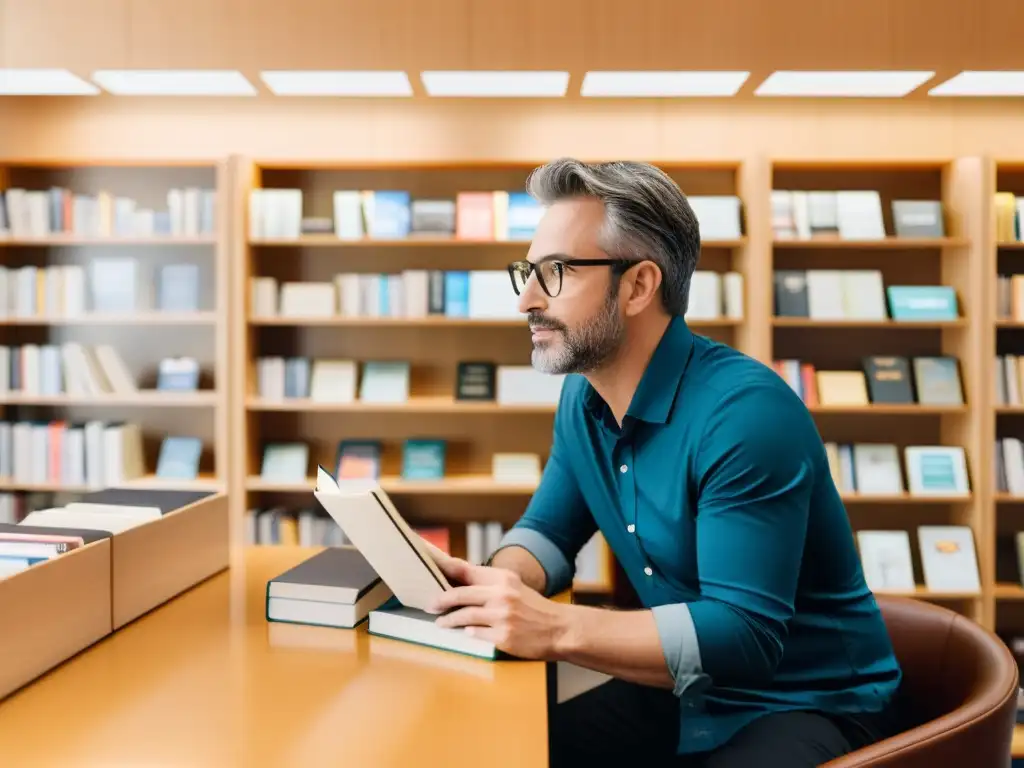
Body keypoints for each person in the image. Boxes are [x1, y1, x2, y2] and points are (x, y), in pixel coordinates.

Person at [422, 158, 903, 767]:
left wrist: (553, 628)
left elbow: (745, 634)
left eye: (557, 272)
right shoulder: (585, 395)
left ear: (638, 286)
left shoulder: (745, 415)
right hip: (688, 688)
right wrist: (490, 582)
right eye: (528, 271)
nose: (526, 299)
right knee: (498, 748)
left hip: (806, 700)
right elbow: (547, 532)